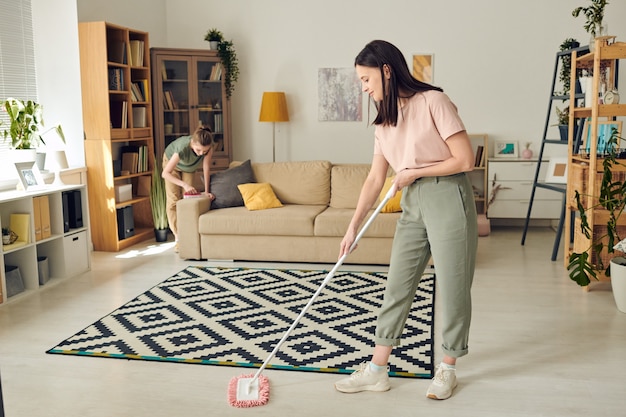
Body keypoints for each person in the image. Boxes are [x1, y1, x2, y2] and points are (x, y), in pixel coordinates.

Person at [334, 40, 478, 400]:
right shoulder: (384, 122)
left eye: (366, 80)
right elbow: (373, 179)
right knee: (397, 285)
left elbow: (464, 160)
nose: (364, 88)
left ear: (386, 70)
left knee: (453, 285)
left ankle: (447, 368)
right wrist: (352, 227)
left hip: (448, 195)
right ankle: (377, 369)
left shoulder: (434, 101)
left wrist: (414, 171)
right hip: (413, 203)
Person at [162, 125, 218, 250]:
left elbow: (206, 168)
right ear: (192, 143)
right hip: (172, 166)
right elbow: (165, 173)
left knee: (188, 200)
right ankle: (179, 237)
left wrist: (207, 192)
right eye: (198, 150)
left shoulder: (209, 147)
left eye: (204, 152)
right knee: (174, 200)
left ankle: (188, 233)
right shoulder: (182, 147)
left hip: (189, 167)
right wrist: (184, 184)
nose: (201, 154)